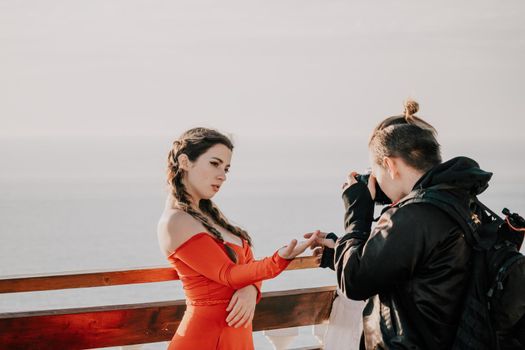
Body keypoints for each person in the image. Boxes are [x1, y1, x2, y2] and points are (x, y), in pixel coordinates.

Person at [307, 100, 493, 349]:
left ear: (390, 165)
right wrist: (337, 253)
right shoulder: (459, 202)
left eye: (375, 171)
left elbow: (355, 281)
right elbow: (408, 269)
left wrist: (356, 216)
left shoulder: (415, 215)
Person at [157, 127, 317, 350]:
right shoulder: (175, 221)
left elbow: (247, 268)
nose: (222, 175)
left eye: (226, 168)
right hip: (205, 339)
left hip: (235, 337)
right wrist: (279, 259)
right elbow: (228, 274)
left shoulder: (208, 217)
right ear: (185, 162)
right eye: (214, 164)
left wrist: (251, 289)